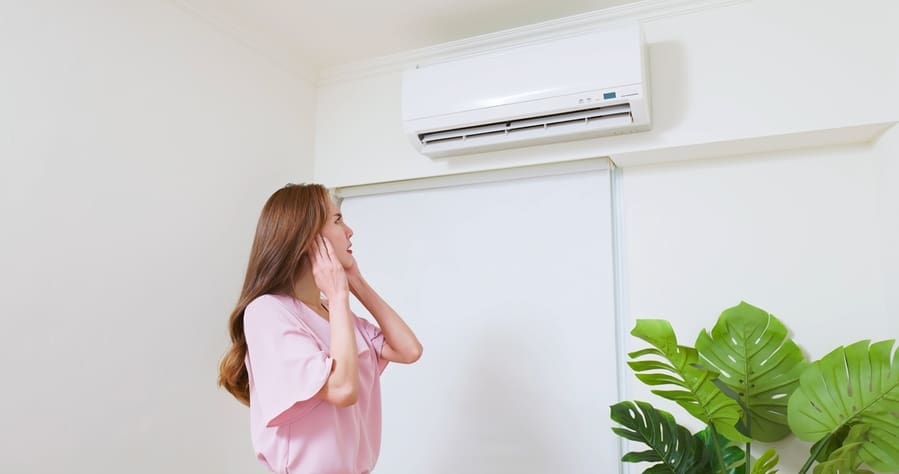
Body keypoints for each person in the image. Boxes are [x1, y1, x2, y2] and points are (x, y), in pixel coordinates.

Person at [218, 183, 423, 474]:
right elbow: (343, 390)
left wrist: (357, 284)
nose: (350, 231)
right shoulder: (267, 312)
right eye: (338, 221)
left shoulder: (334, 314)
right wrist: (339, 296)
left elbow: (409, 350)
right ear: (308, 238)